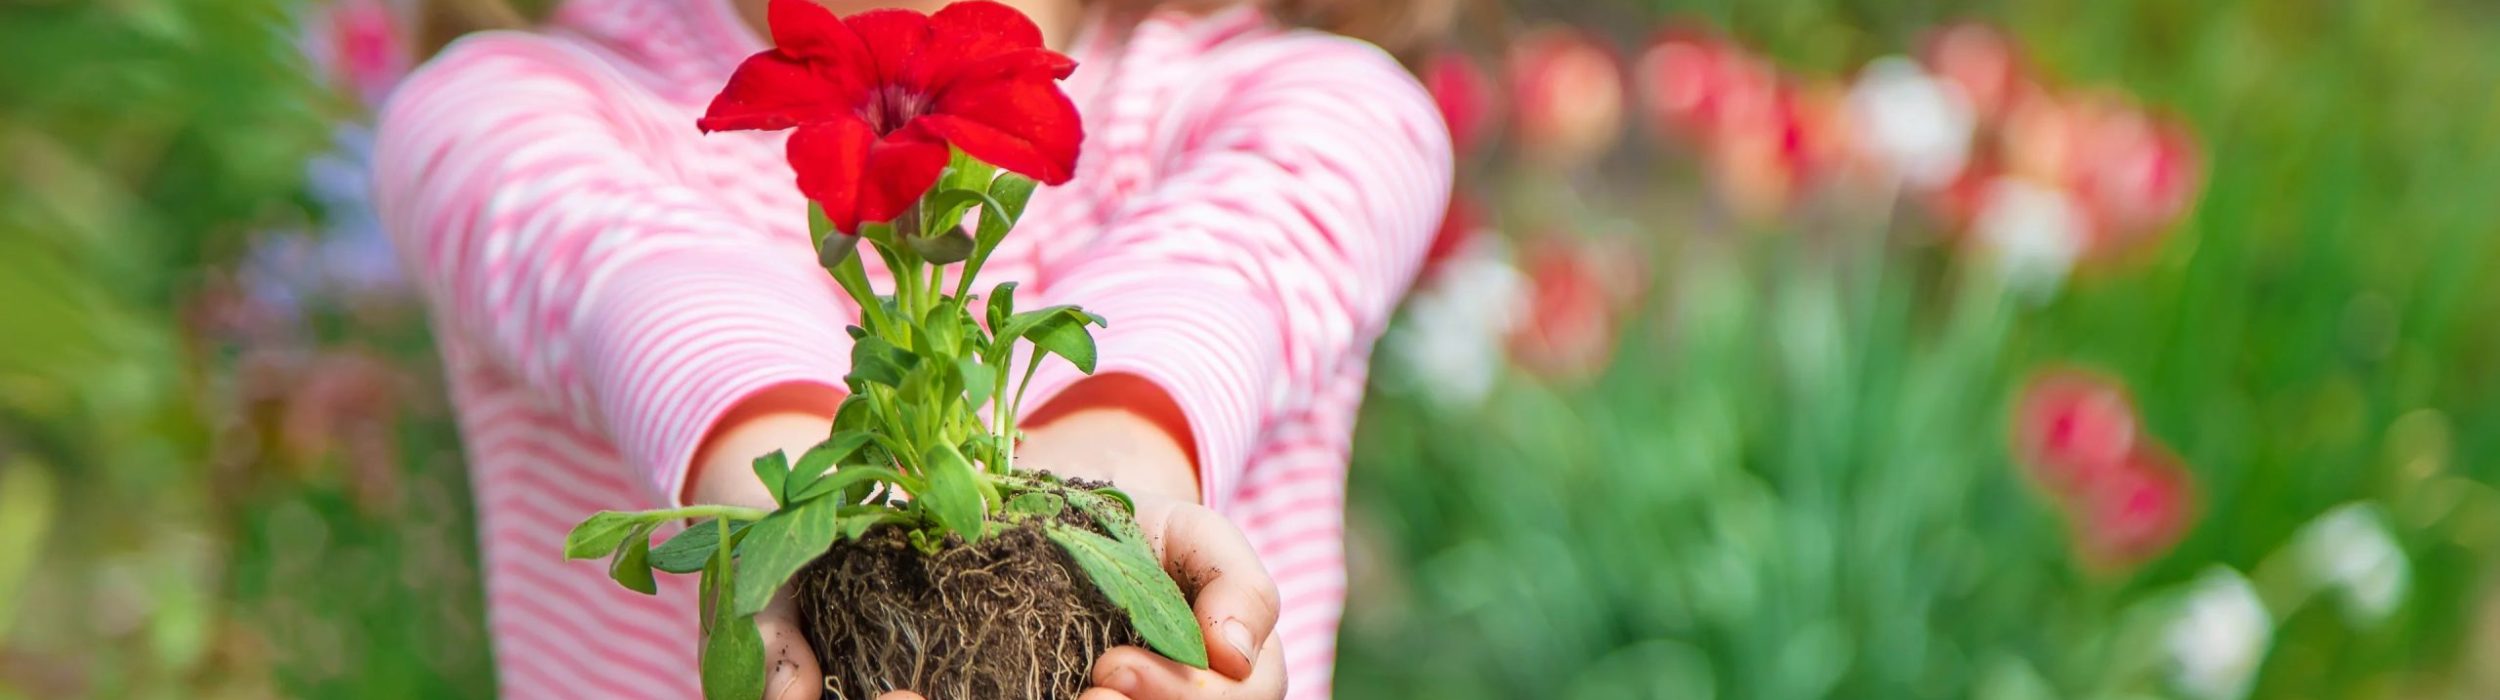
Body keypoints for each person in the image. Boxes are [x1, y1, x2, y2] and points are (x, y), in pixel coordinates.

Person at [373, 0, 1452, 697]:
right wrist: (801, 531)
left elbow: (1206, 287)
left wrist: (1108, 536)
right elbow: (653, 292)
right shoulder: (507, 108)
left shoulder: (1312, 104)